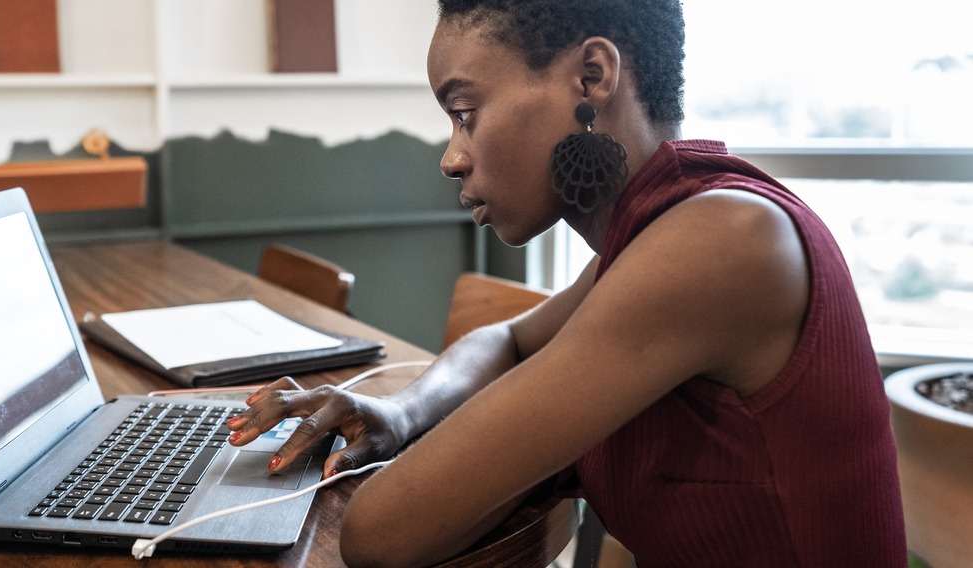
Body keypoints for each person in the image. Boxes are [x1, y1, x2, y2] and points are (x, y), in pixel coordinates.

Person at [225, 0, 907, 566]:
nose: (452, 157)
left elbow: (378, 535)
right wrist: (401, 414)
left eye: (465, 112)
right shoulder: (656, 234)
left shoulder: (722, 242)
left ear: (591, 76)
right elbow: (508, 339)